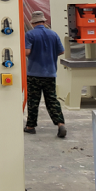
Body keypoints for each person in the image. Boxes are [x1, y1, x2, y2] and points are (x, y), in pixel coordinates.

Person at [24, 10, 67, 138]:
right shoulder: (53, 34)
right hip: (50, 73)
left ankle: (30, 126)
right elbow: (61, 51)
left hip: (34, 73)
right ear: (44, 21)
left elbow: (27, 52)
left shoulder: (30, 34)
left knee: (33, 100)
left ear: (33, 23)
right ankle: (60, 124)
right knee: (52, 99)